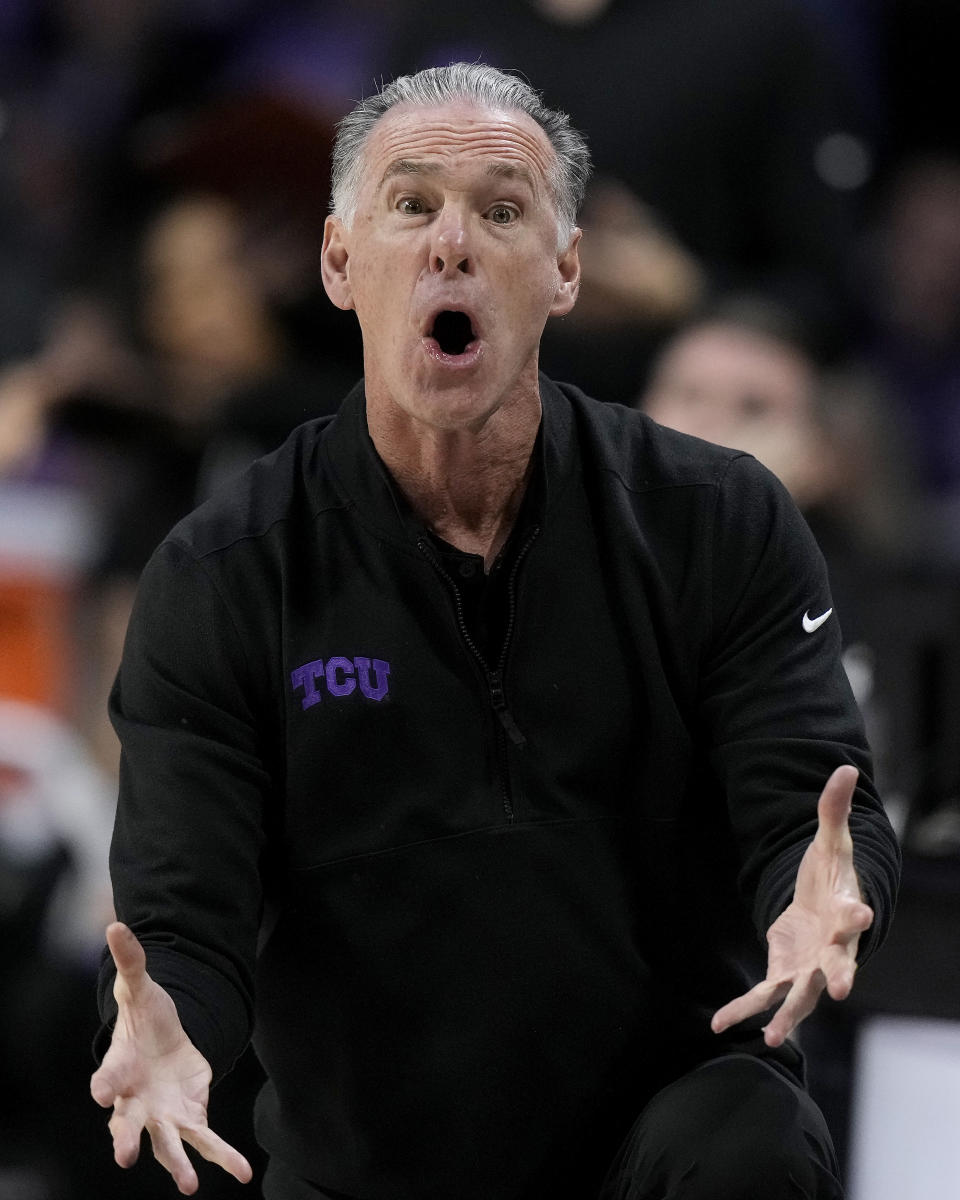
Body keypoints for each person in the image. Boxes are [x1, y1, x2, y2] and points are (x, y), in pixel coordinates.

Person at [90, 64, 900, 1200]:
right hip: (370, 1162)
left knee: (749, 1137)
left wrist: (827, 878)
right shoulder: (224, 572)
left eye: (503, 210)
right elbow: (185, 910)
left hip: (654, 1136)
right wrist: (168, 1018)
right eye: (411, 205)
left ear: (564, 269)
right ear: (339, 260)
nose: (451, 244)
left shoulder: (716, 516)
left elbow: (809, 808)